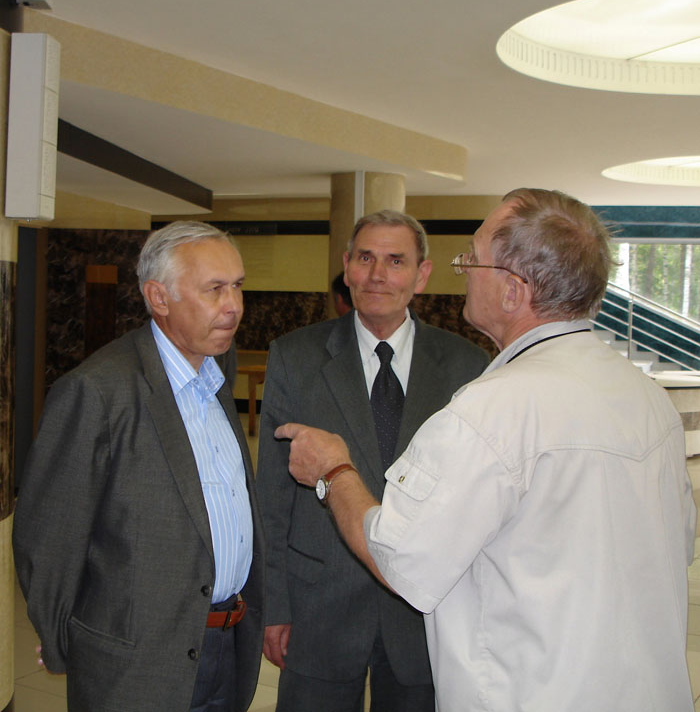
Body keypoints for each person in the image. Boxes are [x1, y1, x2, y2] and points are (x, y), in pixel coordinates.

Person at [277, 189, 697, 712]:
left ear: (513, 291)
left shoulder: (490, 410)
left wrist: (335, 470)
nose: (464, 273)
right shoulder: (647, 398)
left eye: (472, 260)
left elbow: (401, 559)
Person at [13, 221, 265, 712]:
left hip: (227, 647)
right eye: (214, 288)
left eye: (237, 286)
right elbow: (48, 537)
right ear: (159, 297)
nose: (233, 305)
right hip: (136, 667)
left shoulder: (216, 372)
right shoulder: (98, 391)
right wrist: (67, 640)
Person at [256, 209, 489, 711]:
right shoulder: (295, 357)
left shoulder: (467, 367)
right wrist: (273, 605)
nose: (377, 274)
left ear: (422, 275)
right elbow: (271, 496)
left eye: (396, 261)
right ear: (346, 267)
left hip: (424, 611)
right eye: (365, 258)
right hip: (318, 605)